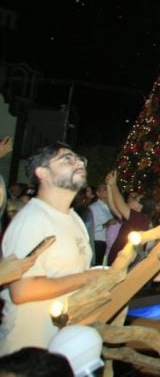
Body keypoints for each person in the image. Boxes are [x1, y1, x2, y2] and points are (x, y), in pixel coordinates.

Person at [0, 142, 105, 355]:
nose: (78, 162)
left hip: (62, 344)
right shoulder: (32, 220)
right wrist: (87, 277)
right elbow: (21, 291)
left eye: (79, 159)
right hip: (29, 349)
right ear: (42, 173)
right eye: (66, 158)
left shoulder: (75, 218)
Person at [104, 172, 153, 266]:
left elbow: (119, 203)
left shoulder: (141, 218)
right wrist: (109, 186)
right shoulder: (132, 217)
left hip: (124, 265)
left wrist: (113, 185)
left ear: (140, 206)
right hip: (116, 262)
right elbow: (113, 205)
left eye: (136, 199)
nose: (132, 199)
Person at [87, 184, 112, 266]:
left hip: (110, 244)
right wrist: (105, 225)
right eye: (105, 189)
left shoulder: (113, 207)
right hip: (98, 243)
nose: (108, 191)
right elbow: (89, 229)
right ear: (98, 193)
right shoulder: (93, 208)